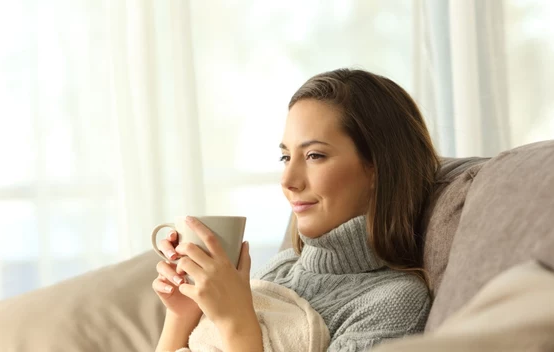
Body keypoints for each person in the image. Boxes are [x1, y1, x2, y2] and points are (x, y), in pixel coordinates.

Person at [153, 68, 440, 351]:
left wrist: (235, 323)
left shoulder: (394, 303)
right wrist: (182, 312)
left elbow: (238, 333)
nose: (288, 181)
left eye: (314, 155)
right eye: (286, 157)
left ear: (378, 168)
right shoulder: (281, 268)